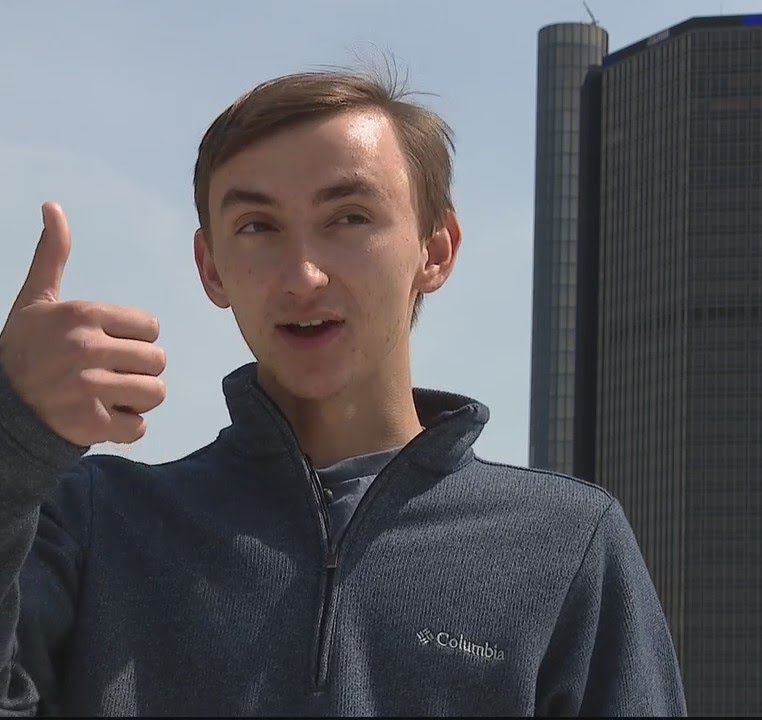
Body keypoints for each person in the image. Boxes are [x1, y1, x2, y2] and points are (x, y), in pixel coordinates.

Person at [0, 69, 686, 717]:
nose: (303, 275)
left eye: (349, 217)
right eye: (258, 226)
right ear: (212, 269)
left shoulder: (566, 543)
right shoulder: (92, 520)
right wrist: (13, 436)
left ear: (436, 249)